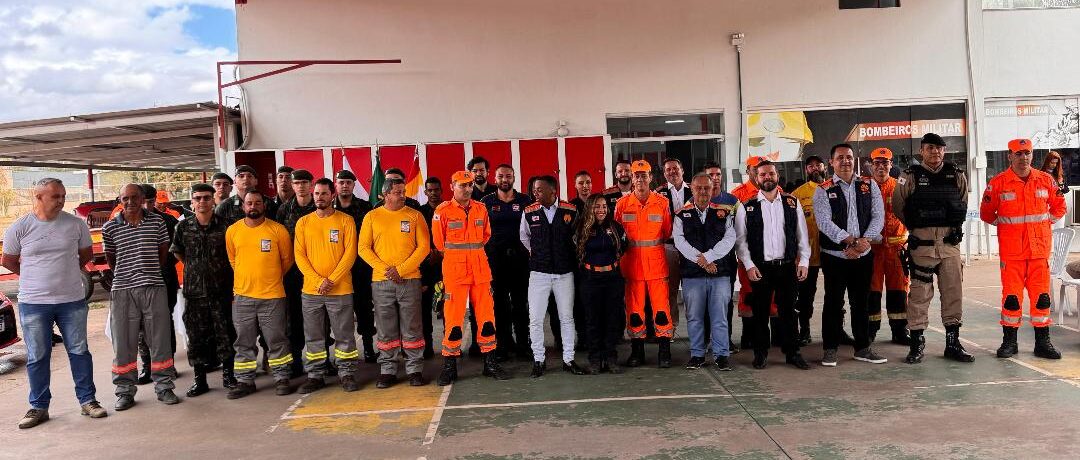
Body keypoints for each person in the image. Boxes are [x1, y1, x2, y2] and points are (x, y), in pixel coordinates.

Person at [3, 178, 107, 428]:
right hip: (34, 302)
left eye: (63, 195)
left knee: (79, 351)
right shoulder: (20, 227)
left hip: (71, 300)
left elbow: (85, 255)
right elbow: (8, 260)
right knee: (38, 356)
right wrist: (35, 276)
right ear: (38, 197)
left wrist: (65, 274)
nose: (61, 200)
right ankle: (38, 407)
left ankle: (88, 401)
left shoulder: (75, 225)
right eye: (55, 196)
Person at [981, 138, 1067, 360]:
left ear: (1032, 154)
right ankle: (1009, 342)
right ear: (1010, 156)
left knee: (1041, 299)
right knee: (1011, 298)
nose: (1023, 158)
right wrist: (1007, 229)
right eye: (1018, 154)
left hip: (1039, 252)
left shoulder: (1046, 180)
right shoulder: (998, 183)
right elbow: (987, 213)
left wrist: (1044, 223)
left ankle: (1043, 342)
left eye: (1027, 153)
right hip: (1012, 255)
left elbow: (1060, 207)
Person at [893, 133, 973, 364]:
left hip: (949, 247)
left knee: (953, 293)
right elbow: (899, 206)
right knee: (919, 295)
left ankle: (952, 343)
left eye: (939, 148)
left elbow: (962, 203)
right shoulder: (909, 176)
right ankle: (917, 344)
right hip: (922, 247)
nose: (935, 152)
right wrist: (918, 228)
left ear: (944, 151)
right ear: (922, 151)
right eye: (930, 148)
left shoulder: (956, 175)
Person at [101, 184, 179, 409]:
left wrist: (148, 272)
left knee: (160, 340)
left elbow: (163, 254)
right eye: (125, 198)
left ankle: (164, 387)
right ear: (120, 200)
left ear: (143, 198)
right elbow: (111, 259)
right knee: (123, 343)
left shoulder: (157, 223)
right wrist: (128, 276)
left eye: (134, 197)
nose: (130, 202)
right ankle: (124, 391)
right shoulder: (109, 228)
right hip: (123, 290)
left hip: (153, 287)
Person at [432, 171, 511, 385]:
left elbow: (486, 236)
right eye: (462, 185)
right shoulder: (442, 211)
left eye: (469, 185)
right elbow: (439, 244)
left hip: (480, 271)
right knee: (453, 320)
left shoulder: (480, 208)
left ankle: (490, 363)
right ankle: (450, 366)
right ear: (452, 187)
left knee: (487, 319)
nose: (466, 189)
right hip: (455, 273)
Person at [813, 144, 886, 367]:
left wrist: (864, 242)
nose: (845, 161)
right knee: (833, 303)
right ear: (831, 162)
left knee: (860, 303)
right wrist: (851, 241)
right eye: (840, 158)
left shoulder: (868, 184)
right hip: (835, 256)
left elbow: (878, 216)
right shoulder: (823, 189)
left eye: (849, 157)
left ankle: (863, 348)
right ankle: (830, 349)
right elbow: (824, 222)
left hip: (863, 255)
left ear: (854, 160)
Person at [734, 161, 811, 370]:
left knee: (788, 312)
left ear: (777, 175)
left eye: (770, 173)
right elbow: (740, 242)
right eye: (762, 174)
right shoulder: (746, 206)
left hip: (787, 267)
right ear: (756, 178)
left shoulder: (792, 203)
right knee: (760, 313)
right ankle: (761, 353)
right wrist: (749, 265)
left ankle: (792, 352)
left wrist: (804, 261)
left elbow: (802, 236)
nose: (767, 177)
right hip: (760, 268)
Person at [360, 178, 432, 387]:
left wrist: (400, 270)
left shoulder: (415, 215)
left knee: (412, 327)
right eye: (397, 192)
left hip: (410, 281)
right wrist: (387, 271)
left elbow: (424, 247)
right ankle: (388, 369)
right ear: (385, 195)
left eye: (403, 192)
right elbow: (363, 248)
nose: (402, 196)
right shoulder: (372, 217)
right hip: (381, 282)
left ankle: (414, 369)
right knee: (385, 329)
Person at [225, 191, 296, 399]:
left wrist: (270, 277)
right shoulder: (233, 231)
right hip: (243, 297)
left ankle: (282, 377)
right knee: (243, 341)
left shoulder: (277, 230)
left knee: (277, 339)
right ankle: (245, 381)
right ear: (243, 206)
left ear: (264, 205)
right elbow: (233, 260)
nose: (253, 206)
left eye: (257, 202)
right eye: (249, 203)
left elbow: (287, 260)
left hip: (272, 296)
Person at [169, 184, 237, 397]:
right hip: (195, 292)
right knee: (196, 337)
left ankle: (228, 375)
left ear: (213, 200)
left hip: (221, 290)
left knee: (225, 333)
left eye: (206, 198)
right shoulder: (183, 227)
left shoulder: (226, 226)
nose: (202, 202)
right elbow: (178, 253)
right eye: (197, 198)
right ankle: (200, 380)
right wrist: (197, 268)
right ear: (192, 202)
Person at [294, 178, 360, 393]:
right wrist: (318, 281)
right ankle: (315, 375)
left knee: (344, 334)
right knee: (314, 336)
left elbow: (350, 254)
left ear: (332, 195)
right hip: (311, 291)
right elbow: (300, 256)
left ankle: (347, 373)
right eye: (316, 194)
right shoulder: (303, 223)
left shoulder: (346, 220)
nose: (319, 197)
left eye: (323, 193)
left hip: (340, 289)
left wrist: (331, 280)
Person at [520, 175, 585, 377]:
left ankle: (568, 359)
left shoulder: (571, 210)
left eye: (539, 190)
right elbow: (524, 237)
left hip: (565, 274)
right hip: (538, 274)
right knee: (535, 319)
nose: (535, 193)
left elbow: (578, 237)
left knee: (566, 318)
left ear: (552, 191)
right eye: (534, 190)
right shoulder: (529, 212)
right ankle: (538, 360)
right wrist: (538, 253)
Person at [674, 173, 736, 371]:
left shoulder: (724, 213)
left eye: (706, 188)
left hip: (720, 274)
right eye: (698, 188)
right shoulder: (680, 214)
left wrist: (709, 257)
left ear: (712, 190)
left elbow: (729, 239)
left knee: (720, 316)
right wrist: (702, 261)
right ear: (691, 189)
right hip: (693, 276)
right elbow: (679, 242)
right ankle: (697, 354)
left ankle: (721, 355)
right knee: (694, 317)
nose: (702, 192)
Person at [615, 160, 674, 368]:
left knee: (661, 310)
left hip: (656, 266)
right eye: (636, 175)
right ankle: (637, 352)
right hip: (631, 267)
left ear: (651, 178)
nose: (640, 179)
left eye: (644, 175)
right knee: (635, 311)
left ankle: (664, 352)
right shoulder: (622, 205)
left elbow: (667, 232)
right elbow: (617, 235)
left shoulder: (662, 203)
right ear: (631, 178)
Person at [480, 164, 534, 360]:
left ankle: (523, 345)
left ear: (514, 178)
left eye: (508, 176)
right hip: (496, 261)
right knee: (499, 306)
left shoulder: (525, 201)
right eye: (501, 176)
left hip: (520, 261)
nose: (505, 179)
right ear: (495, 178)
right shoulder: (486, 201)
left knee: (521, 305)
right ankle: (502, 345)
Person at [574, 194, 628, 374]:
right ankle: (595, 359)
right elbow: (574, 250)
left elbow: (624, 246)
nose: (601, 210)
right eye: (597, 206)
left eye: (604, 206)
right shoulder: (580, 228)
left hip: (612, 278)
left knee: (612, 319)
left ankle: (611, 358)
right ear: (590, 208)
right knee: (593, 321)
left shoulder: (615, 227)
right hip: (590, 279)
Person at [731, 156, 780, 349]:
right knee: (749, 294)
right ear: (749, 171)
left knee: (775, 294)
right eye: (755, 169)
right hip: (749, 256)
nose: (760, 173)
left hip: (774, 254)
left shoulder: (779, 192)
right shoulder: (738, 195)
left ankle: (777, 336)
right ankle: (749, 335)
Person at [865, 148, 911, 345]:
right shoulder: (863, 187)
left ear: (891, 165)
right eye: (877, 163)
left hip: (896, 250)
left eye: (885, 163)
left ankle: (899, 331)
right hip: (871, 252)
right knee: (871, 293)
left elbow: (911, 212)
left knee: (898, 292)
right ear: (871, 165)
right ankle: (869, 331)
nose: (881, 166)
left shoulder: (900, 186)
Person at [136, 184, 180, 385]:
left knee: (163, 321)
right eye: (142, 201)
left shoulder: (169, 221)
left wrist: (158, 266)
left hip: (164, 279)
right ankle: (147, 365)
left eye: (150, 201)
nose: (146, 205)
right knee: (141, 325)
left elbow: (175, 252)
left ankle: (167, 364)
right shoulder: (127, 222)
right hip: (138, 281)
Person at [333, 170, 378, 363]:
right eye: (341, 182)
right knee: (338, 314)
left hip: (360, 269)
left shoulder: (365, 207)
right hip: (336, 270)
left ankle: (368, 348)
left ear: (353, 185)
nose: (344, 185)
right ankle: (342, 353)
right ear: (336, 184)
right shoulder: (329, 208)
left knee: (364, 309)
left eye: (348, 182)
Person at [276, 169, 317, 377]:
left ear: (311, 184)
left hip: (317, 271)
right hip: (292, 273)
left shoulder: (319, 206)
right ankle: (296, 360)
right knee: (293, 317)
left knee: (319, 318)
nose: (300, 186)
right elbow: (279, 241)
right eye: (297, 183)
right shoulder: (284, 210)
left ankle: (322, 359)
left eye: (304, 182)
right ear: (292, 186)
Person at [704, 161, 740, 350]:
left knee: (725, 301)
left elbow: (740, 231)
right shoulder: (696, 201)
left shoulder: (733, 201)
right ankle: (706, 339)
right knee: (706, 302)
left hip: (727, 260)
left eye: (718, 174)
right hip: (704, 261)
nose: (715, 178)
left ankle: (726, 338)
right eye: (711, 175)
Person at [790, 155, 826, 346]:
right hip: (809, 254)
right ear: (806, 170)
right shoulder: (798, 194)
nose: (814, 169)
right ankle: (804, 330)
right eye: (810, 166)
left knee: (836, 295)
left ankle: (838, 330)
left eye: (817, 165)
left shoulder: (833, 188)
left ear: (824, 166)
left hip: (833, 253)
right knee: (806, 295)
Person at [655, 158, 690, 335]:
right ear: (664, 173)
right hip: (669, 247)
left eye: (675, 168)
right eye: (668, 170)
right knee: (670, 291)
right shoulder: (658, 193)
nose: (672, 172)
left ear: (682, 170)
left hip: (691, 248)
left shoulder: (694, 190)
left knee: (692, 291)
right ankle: (672, 327)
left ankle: (696, 330)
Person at [419, 177, 444, 359]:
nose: (434, 193)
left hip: (447, 267)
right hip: (426, 268)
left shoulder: (450, 210)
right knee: (425, 310)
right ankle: (427, 346)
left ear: (441, 190)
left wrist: (442, 254)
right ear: (426, 192)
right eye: (430, 190)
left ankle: (451, 345)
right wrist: (429, 255)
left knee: (448, 310)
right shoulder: (419, 213)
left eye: (436, 190)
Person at [568, 170, 593, 346]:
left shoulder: (598, 203)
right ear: (575, 186)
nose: (585, 186)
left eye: (588, 182)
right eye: (581, 183)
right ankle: (583, 335)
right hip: (577, 262)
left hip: (597, 260)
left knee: (596, 299)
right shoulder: (570, 207)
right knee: (578, 300)